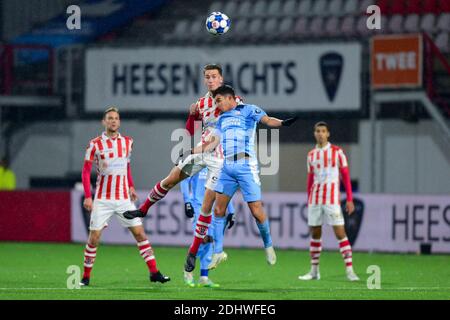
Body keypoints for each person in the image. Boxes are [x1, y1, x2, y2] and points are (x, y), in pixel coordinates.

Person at [123, 64, 241, 274]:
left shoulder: (233, 100)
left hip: (221, 160)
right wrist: (192, 116)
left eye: (214, 76)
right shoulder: (202, 103)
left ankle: (193, 252)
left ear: (221, 79)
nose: (211, 80)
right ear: (205, 80)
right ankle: (144, 209)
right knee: (171, 178)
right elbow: (190, 129)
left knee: (206, 207)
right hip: (203, 152)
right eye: (207, 77)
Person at [183, 84, 298, 273]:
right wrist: (191, 151)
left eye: (219, 100)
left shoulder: (249, 110)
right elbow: (211, 143)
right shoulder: (221, 119)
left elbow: (268, 120)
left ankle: (268, 245)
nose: (217, 105)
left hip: (246, 165)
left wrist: (284, 123)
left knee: (256, 210)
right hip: (227, 167)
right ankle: (218, 252)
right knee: (218, 210)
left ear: (230, 98)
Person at [79, 107, 170, 286]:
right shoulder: (94, 144)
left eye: (116, 118)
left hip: (123, 199)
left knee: (140, 234)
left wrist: (131, 186)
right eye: (110, 118)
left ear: (119, 122)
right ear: (104, 122)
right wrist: (88, 196)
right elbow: (85, 172)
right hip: (103, 199)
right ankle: (86, 276)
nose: (113, 121)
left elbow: (126, 166)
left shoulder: (128, 142)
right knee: (94, 238)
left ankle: (154, 272)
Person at [298, 121, 359, 282]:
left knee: (340, 233)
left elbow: (345, 176)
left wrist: (350, 199)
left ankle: (350, 270)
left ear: (328, 133)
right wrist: (308, 198)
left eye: (323, 131)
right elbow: (310, 179)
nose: (320, 133)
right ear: (314, 133)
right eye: (317, 131)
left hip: (332, 199)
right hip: (315, 199)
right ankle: (314, 271)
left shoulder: (337, 152)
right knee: (315, 234)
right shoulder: (311, 155)